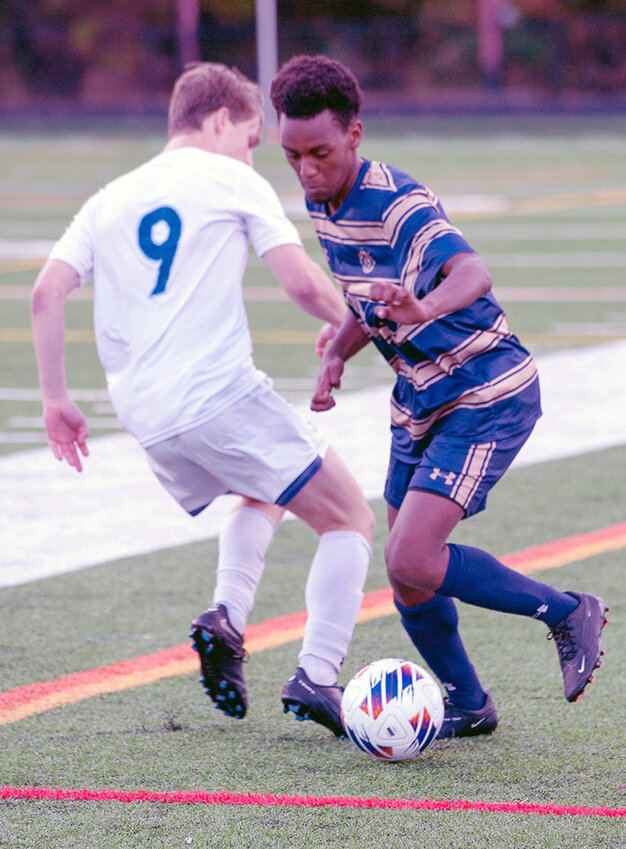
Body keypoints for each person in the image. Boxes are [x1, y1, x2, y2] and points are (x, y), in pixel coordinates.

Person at [31, 62, 375, 738]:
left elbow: (46, 292)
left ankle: (225, 616)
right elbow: (301, 282)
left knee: (265, 490)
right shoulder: (231, 178)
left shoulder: (108, 198)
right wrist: (352, 326)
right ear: (221, 120)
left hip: (145, 418)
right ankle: (319, 670)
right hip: (214, 394)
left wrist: (56, 400)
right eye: (252, 139)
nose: (255, 154)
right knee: (351, 519)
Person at [270, 54, 609, 738]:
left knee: (410, 556)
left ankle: (569, 610)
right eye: (292, 154)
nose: (306, 169)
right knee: (409, 579)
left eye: (320, 153)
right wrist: (337, 352)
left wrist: (421, 308)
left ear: (356, 136)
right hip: (420, 396)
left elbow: (473, 271)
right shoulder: (321, 198)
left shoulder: (397, 202)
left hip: (486, 388)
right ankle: (468, 702)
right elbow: (366, 297)